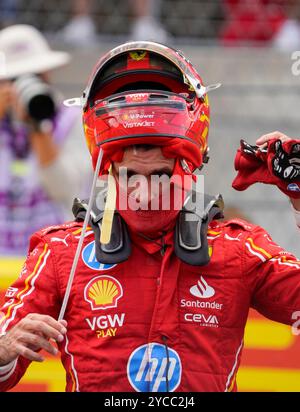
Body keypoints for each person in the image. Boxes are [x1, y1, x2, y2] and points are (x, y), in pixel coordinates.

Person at [0, 41, 299, 392]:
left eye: (159, 174)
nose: (144, 193)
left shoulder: (240, 249)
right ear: (106, 169)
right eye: (129, 176)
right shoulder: (59, 252)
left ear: (189, 167)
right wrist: (4, 349)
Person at [0, 24, 90, 255]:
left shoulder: (71, 120)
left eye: (34, 75)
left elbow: (68, 191)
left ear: (48, 75)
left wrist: (38, 126)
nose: (23, 85)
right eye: (14, 78)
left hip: (46, 259)